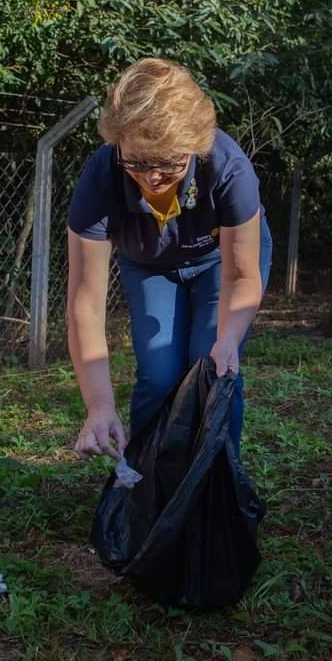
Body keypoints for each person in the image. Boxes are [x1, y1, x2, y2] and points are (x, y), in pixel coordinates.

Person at [68, 58, 272, 460]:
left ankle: (215, 477)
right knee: (159, 374)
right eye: (138, 163)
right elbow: (86, 303)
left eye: (169, 164)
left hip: (222, 264)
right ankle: (149, 482)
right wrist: (99, 405)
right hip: (148, 264)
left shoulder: (229, 169)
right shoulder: (101, 179)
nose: (152, 178)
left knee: (210, 368)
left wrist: (228, 339)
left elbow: (242, 276)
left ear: (194, 148)